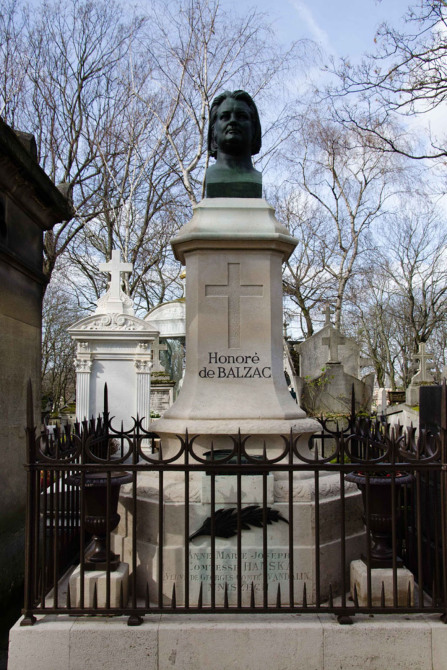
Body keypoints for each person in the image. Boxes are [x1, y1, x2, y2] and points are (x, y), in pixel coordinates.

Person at [206, 90, 262, 198]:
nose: (233, 121)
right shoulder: (212, 176)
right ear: (213, 129)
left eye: (241, 116)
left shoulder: (256, 179)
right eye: (225, 116)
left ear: (254, 128)